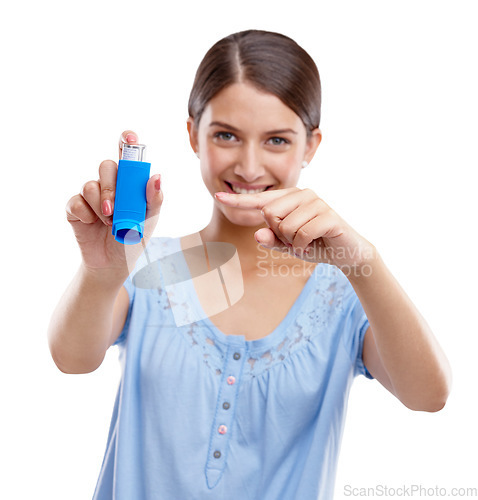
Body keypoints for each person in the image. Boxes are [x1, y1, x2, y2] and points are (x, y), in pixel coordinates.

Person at [48, 30, 452, 500]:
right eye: (226, 135)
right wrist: (102, 274)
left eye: (277, 140)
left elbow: (429, 397)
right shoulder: (151, 267)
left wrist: (362, 259)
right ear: (192, 134)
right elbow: (71, 360)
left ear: (311, 146)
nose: (249, 165)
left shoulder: (344, 294)